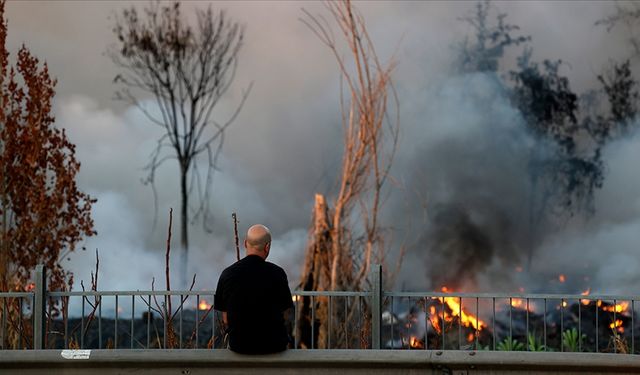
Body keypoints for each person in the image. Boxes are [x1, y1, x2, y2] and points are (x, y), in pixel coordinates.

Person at [214, 224, 294, 354]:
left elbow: (225, 319)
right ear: (267, 247)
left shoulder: (227, 274)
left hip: (240, 346)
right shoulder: (278, 273)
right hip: (274, 346)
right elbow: (286, 313)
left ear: (245, 243)